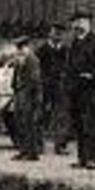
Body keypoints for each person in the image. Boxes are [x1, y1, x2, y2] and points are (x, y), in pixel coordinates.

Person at [65, 8, 95, 169]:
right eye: (76, 22)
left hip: (91, 91)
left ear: (89, 24)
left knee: (90, 125)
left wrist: (92, 75)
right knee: (79, 125)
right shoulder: (74, 43)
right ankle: (82, 159)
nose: (78, 25)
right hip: (75, 91)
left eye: (82, 21)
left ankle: (92, 159)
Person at [36, 21, 70, 153]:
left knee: (62, 115)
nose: (57, 36)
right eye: (55, 33)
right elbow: (37, 69)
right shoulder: (42, 50)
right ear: (50, 34)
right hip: (44, 86)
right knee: (41, 115)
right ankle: (38, 144)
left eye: (60, 33)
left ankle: (60, 145)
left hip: (60, 86)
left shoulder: (66, 51)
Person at [10, 34, 44, 161]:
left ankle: (32, 153)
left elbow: (35, 80)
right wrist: (14, 89)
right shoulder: (20, 59)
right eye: (18, 47)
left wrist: (35, 98)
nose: (19, 50)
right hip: (20, 93)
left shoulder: (33, 60)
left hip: (28, 95)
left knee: (29, 123)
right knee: (20, 123)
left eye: (22, 47)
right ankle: (23, 150)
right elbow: (15, 77)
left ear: (28, 47)